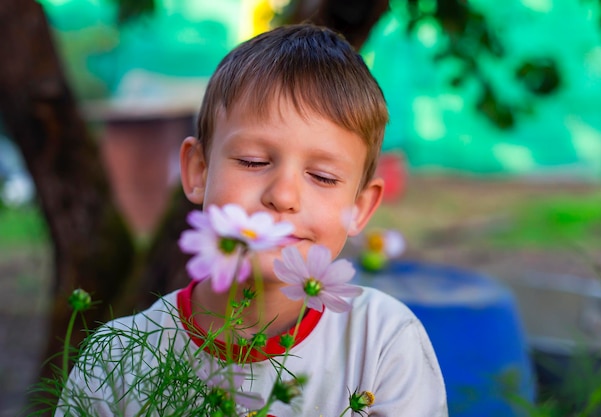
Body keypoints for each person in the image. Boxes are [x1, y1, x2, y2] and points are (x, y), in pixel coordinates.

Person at [56, 23, 447, 416]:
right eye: (252, 162)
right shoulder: (117, 358)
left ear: (360, 208)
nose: (283, 196)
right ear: (198, 172)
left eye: (323, 177)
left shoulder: (382, 341)